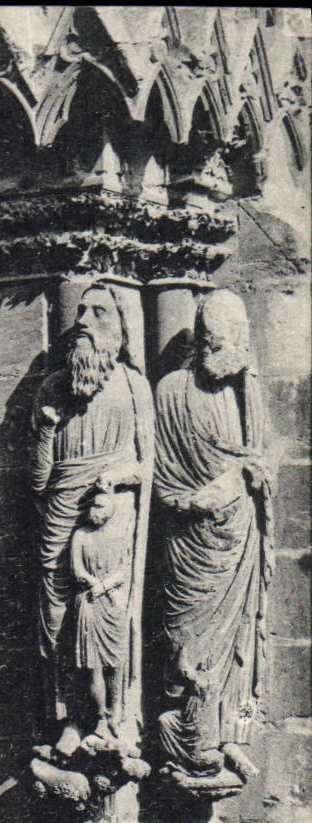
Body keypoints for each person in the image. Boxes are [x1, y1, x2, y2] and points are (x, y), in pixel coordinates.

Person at [153, 289, 272, 784]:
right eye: (209, 342)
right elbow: (156, 475)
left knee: (241, 638)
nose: (215, 353)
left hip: (238, 538)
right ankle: (183, 737)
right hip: (188, 542)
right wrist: (191, 500)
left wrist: (249, 475)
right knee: (186, 645)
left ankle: (232, 736)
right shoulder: (172, 391)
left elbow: (262, 463)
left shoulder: (245, 392)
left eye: (226, 345)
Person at [31, 281, 152, 755]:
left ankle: (115, 714)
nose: (82, 322)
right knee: (57, 618)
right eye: (80, 313)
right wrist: (45, 432)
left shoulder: (133, 386)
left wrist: (116, 476)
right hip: (60, 520)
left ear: (119, 331)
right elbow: (39, 483)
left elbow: (147, 464)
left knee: (112, 616)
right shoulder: (54, 388)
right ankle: (67, 717)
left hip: (110, 520)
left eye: (98, 313)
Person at [68, 489, 132, 740]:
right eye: (92, 506)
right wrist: (92, 582)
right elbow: (77, 569)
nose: (93, 512)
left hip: (111, 602)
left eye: (100, 507)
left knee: (114, 663)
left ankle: (115, 714)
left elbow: (123, 570)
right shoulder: (81, 536)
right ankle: (100, 719)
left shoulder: (118, 536)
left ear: (111, 511)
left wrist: (104, 586)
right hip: (89, 604)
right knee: (93, 666)